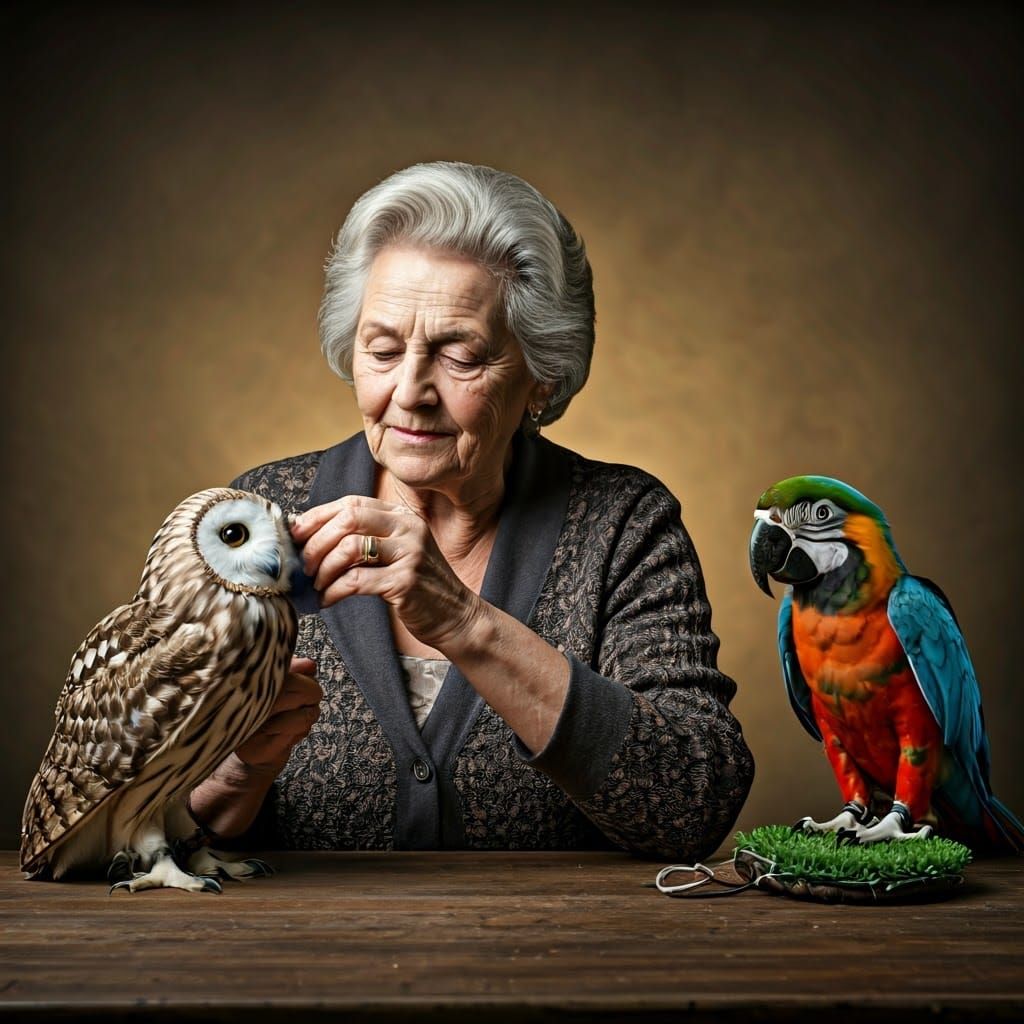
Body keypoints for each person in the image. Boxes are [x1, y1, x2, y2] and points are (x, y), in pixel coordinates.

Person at [189, 161, 754, 858]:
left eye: (460, 355)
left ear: (541, 376)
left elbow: (693, 803)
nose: (410, 392)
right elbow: (150, 823)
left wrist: (463, 621)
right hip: (310, 959)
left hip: (558, 959)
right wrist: (237, 769)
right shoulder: (257, 517)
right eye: (384, 350)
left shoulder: (624, 525)